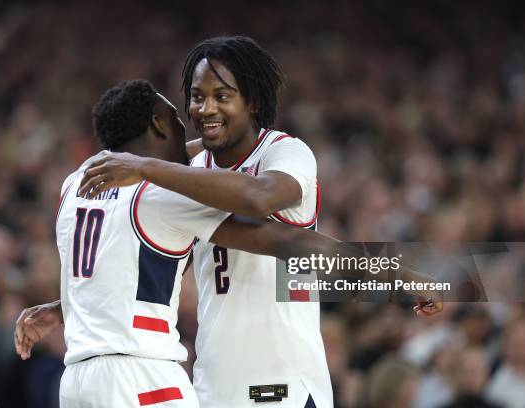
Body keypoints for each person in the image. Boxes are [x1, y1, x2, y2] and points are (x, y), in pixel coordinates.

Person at [38, 37, 441, 407]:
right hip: (212, 384)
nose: (205, 108)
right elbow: (131, 252)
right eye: (196, 97)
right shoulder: (184, 171)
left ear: (251, 102)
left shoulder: (286, 152)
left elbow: (271, 210)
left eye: (221, 96)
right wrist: (71, 306)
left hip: (281, 379)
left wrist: (402, 275)